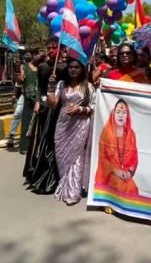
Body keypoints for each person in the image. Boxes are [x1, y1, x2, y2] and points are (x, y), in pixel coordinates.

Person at [48, 59, 95, 205]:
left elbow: (94, 106)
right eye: (70, 67)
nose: (73, 70)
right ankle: (64, 183)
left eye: (76, 67)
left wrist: (80, 109)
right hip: (63, 125)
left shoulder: (88, 86)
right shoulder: (61, 85)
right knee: (62, 157)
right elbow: (52, 104)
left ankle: (73, 191)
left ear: (82, 69)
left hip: (80, 125)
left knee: (77, 157)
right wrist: (50, 86)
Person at [24, 42, 67, 194]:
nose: (50, 51)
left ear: (61, 49)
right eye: (48, 48)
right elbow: (39, 87)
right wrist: (37, 100)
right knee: (43, 141)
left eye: (54, 47)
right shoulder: (42, 67)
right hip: (44, 109)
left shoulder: (66, 67)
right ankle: (41, 173)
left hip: (60, 110)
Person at [95, 99, 139, 195]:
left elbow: (134, 158)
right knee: (120, 185)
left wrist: (129, 172)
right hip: (110, 173)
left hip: (125, 174)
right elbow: (102, 159)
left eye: (124, 112)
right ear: (113, 114)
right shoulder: (106, 133)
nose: (120, 115)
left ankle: (126, 210)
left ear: (127, 116)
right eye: (118, 112)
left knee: (132, 187)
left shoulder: (131, 134)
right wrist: (115, 170)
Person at [19, 50, 39, 154]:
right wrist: (20, 78)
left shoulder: (41, 67)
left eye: (38, 54)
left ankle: (36, 147)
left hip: (39, 97)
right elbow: (21, 78)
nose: (36, 56)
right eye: (35, 54)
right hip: (28, 97)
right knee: (26, 121)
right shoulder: (24, 66)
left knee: (38, 123)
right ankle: (25, 147)